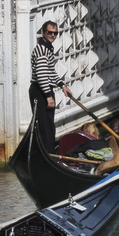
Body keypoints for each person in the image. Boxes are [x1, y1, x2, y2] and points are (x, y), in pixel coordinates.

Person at [30, 20, 72, 153]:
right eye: (50, 33)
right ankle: (47, 154)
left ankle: (49, 152)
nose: (53, 35)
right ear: (43, 33)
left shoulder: (48, 48)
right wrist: (48, 96)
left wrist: (62, 85)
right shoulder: (42, 51)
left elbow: (50, 72)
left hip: (44, 89)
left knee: (48, 125)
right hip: (40, 91)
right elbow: (42, 75)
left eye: (55, 33)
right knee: (44, 126)